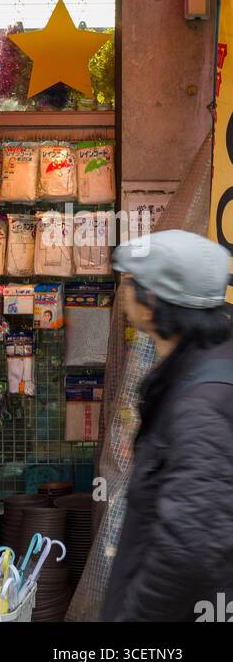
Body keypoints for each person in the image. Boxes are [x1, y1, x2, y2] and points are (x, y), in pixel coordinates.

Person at [101, 229, 233, 622]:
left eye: (129, 283)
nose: (123, 294)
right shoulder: (194, 371)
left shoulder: (202, 402)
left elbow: (191, 545)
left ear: (154, 300)